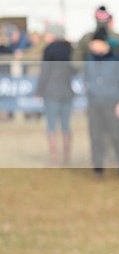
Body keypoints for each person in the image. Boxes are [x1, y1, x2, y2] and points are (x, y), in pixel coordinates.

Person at [75, 7, 119, 178]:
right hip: (94, 103)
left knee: (116, 137)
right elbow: (79, 66)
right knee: (95, 137)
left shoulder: (116, 58)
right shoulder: (89, 58)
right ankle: (98, 169)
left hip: (112, 102)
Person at [34, 23, 75, 165]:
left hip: (51, 92)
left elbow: (44, 71)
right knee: (66, 125)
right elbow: (75, 69)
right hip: (67, 91)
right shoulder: (70, 49)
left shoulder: (48, 49)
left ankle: (53, 157)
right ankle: (67, 157)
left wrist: (39, 91)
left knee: (51, 125)